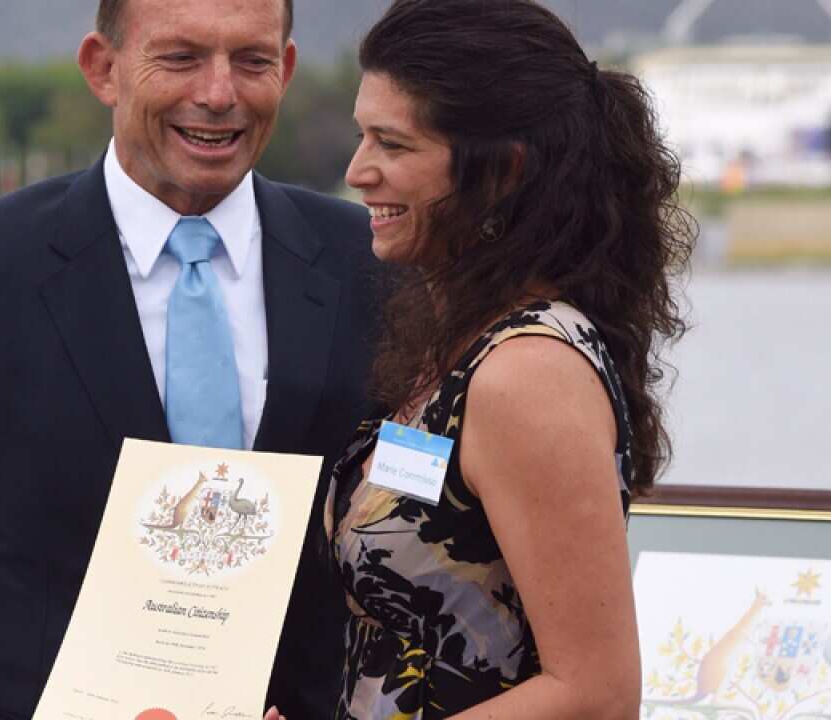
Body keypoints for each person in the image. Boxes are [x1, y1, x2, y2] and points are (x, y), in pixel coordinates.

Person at [0, 1, 378, 719]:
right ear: (104, 68)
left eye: (251, 60)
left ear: (284, 71)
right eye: (182, 57)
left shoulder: (372, 262)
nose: (219, 93)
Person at [266, 1, 696, 719]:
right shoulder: (462, 339)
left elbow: (596, 695)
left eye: (392, 145)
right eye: (361, 137)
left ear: (502, 172)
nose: (357, 171)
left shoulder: (526, 373)